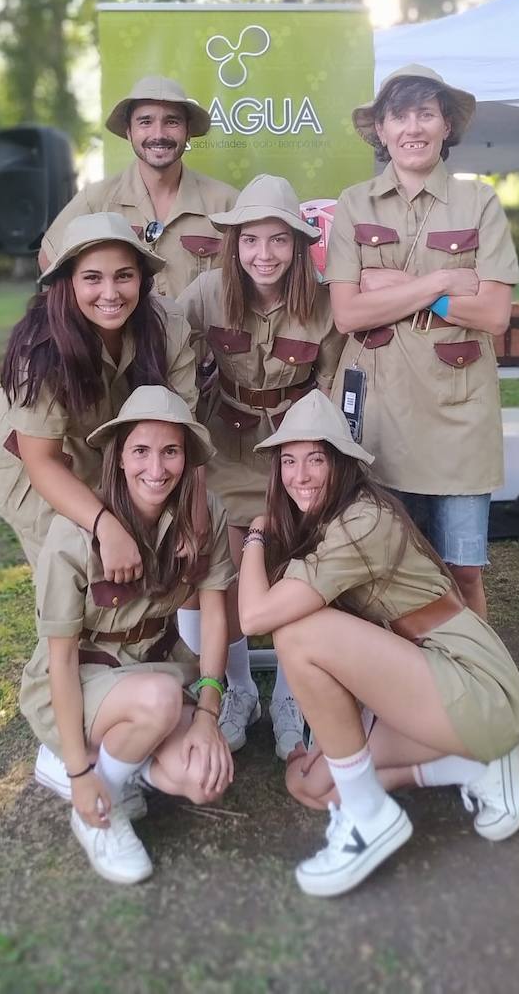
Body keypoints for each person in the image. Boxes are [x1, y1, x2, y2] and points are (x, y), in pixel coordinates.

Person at [238, 390, 519, 899]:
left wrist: (254, 538)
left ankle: (371, 818)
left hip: (474, 684)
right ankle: (475, 766)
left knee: (296, 632)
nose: (299, 475)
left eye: (315, 459)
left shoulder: (360, 522)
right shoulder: (327, 523)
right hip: (422, 678)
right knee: (310, 784)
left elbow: (254, 616)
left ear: (342, 463)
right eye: (288, 461)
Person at [325, 64, 519, 619]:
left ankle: (480, 694)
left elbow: (496, 313)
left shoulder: (479, 203)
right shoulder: (354, 203)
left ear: (446, 126)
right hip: (379, 415)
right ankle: (395, 690)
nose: (413, 127)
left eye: (425, 113)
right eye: (399, 115)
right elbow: (347, 313)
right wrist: (439, 283)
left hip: (459, 418)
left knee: (462, 570)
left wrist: (404, 292)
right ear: (381, 131)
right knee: (380, 567)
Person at [20, 386, 236, 884]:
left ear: (187, 459)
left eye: (171, 451)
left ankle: (117, 757)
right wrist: (80, 775)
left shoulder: (209, 516)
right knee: (159, 700)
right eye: (140, 450)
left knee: (204, 780)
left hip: (155, 668)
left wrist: (207, 713)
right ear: (118, 458)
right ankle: (95, 801)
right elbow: (60, 659)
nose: (156, 468)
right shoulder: (72, 535)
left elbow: (216, 614)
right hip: (83, 681)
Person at [177, 175, 345, 759]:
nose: (264, 255)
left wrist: (320, 468)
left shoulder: (323, 302)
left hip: (292, 450)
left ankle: (294, 691)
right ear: (235, 243)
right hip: (224, 444)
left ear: (299, 247)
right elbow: (176, 367)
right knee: (216, 577)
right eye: (251, 240)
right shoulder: (204, 293)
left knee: (297, 572)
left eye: (278, 241)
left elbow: (331, 387)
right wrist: (183, 456)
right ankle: (237, 687)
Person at [0, 212, 198, 580]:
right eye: (92, 278)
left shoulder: (168, 327)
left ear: (142, 279)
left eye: (124, 276)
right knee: (77, 573)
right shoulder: (41, 350)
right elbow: (42, 462)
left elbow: (185, 431)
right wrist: (105, 525)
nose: (110, 293)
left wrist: (193, 512)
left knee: (136, 569)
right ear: (68, 283)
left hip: (108, 454)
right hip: (36, 465)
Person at [39, 76, 238, 299]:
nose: (159, 134)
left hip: (196, 335)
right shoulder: (95, 200)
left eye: (172, 121)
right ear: (128, 132)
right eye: (145, 122)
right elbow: (49, 257)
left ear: (188, 131)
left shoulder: (227, 204)